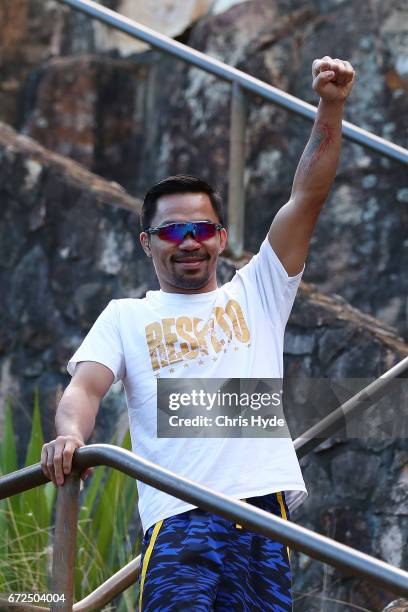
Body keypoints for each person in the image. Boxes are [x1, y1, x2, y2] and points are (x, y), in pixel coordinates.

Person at [41, 56, 355, 610]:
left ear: (221, 236)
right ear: (147, 243)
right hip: (180, 517)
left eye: (202, 228)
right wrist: (70, 436)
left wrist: (330, 106)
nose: (190, 241)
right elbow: (85, 389)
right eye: (173, 231)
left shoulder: (257, 291)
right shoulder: (125, 315)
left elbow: (308, 195)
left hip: (264, 516)